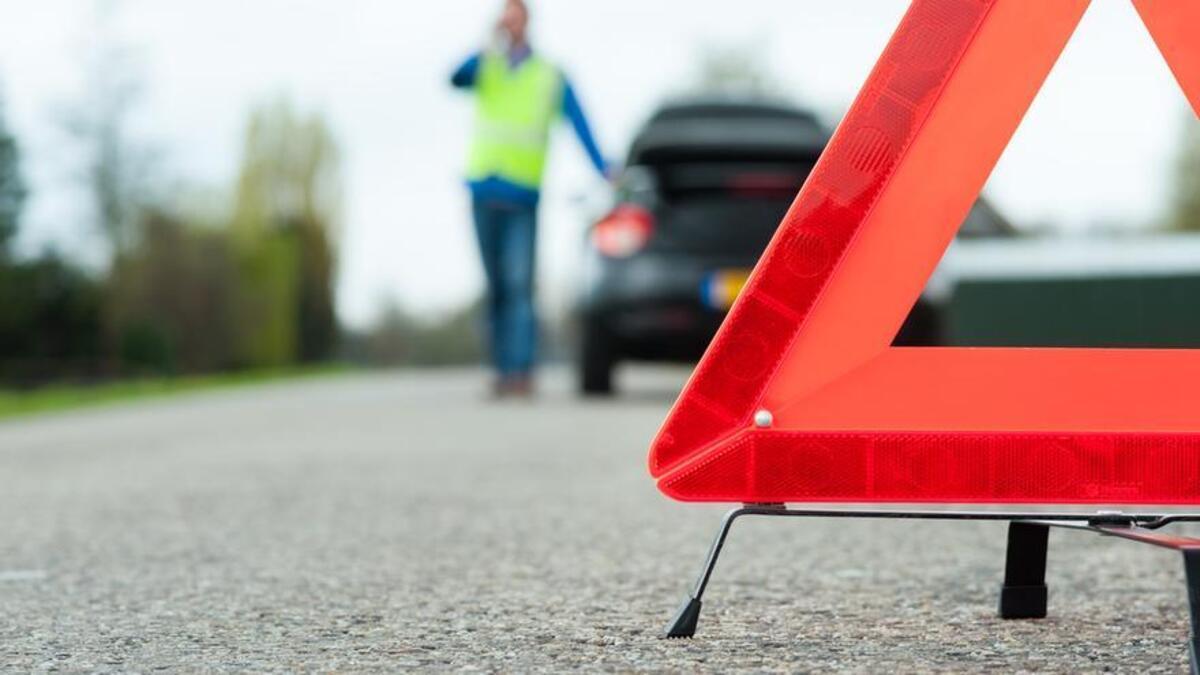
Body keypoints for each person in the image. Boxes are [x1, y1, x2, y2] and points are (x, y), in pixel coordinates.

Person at [451, 0, 610, 398]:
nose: (511, 24)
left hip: (522, 195)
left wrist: (605, 168)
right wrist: (488, 43)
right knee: (496, 288)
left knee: (520, 284)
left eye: (516, 16)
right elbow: (454, 78)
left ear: (528, 22)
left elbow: (580, 122)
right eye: (505, 17)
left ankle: (521, 372)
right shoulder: (487, 66)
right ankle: (502, 370)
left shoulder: (549, 75)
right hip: (484, 191)